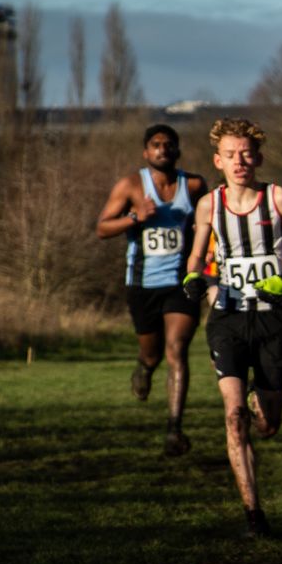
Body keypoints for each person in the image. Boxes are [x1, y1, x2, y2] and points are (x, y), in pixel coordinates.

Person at [180, 118, 282, 538]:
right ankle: (253, 516)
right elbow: (196, 256)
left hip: (272, 320)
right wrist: (193, 276)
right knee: (234, 417)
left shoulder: (277, 197)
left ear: (258, 158)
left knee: (269, 425)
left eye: (246, 154)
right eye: (231, 155)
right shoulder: (209, 205)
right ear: (218, 161)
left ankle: (259, 400)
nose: (239, 162)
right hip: (227, 317)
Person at [94, 123, 207, 454]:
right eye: (156, 144)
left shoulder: (195, 185)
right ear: (146, 152)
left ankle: (174, 429)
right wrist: (135, 217)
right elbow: (102, 228)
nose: (162, 149)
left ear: (178, 150)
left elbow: (209, 224)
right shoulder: (130, 185)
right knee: (152, 353)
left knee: (177, 350)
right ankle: (144, 369)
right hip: (142, 284)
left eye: (168, 144)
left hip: (181, 283)